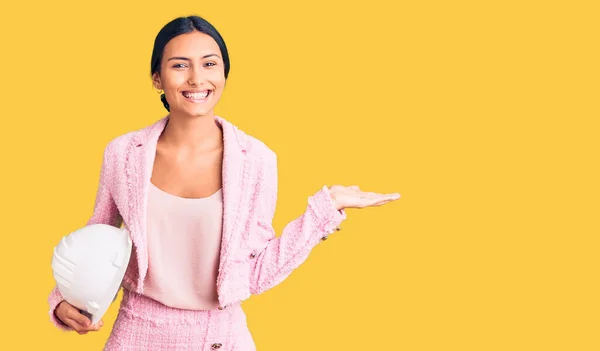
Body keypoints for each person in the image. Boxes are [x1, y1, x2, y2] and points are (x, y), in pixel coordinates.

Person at [47, 15, 400, 350]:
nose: (197, 79)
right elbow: (96, 237)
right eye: (180, 65)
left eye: (210, 63)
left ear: (225, 73)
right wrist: (63, 300)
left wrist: (325, 209)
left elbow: (255, 273)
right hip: (135, 333)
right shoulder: (123, 154)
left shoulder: (257, 160)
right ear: (157, 77)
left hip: (219, 338)